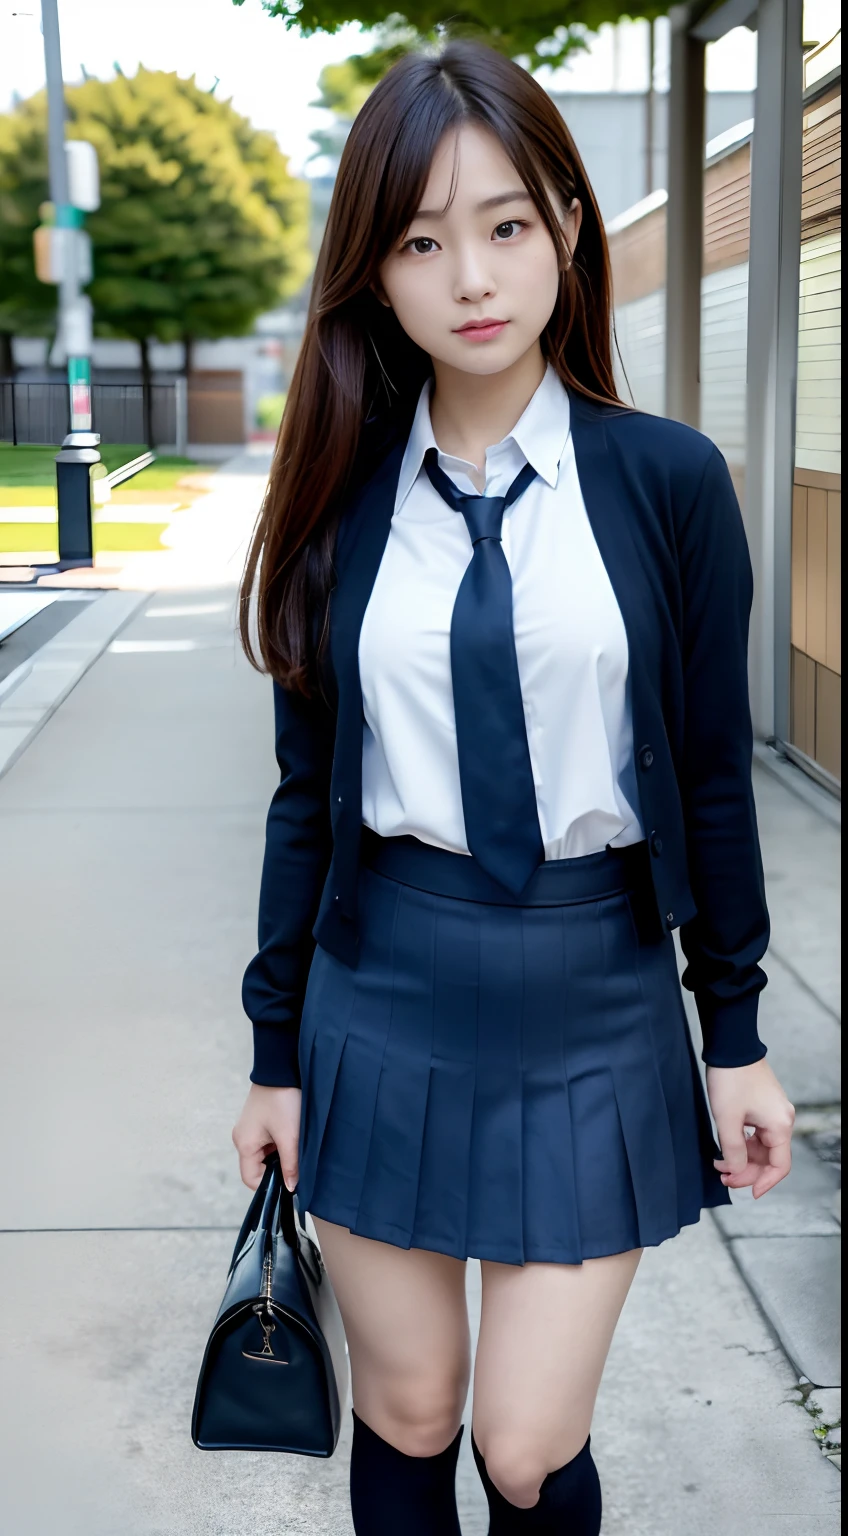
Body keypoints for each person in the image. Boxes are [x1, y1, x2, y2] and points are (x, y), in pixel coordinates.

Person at [231, 41, 795, 1535]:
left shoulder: (666, 482)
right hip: (384, 988)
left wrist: (730, 1029)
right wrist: (272, 1051)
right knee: (408, 1414)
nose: (471, 275)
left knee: (524, 1446)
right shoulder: (337, 511)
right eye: (420, 240)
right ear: (376, 275)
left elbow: (711, 774)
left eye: (505, 225)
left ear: (564, 226)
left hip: (592, 988)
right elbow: (307, 802)